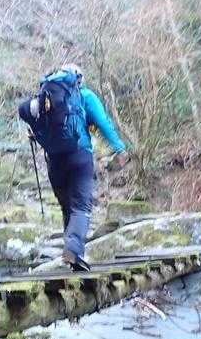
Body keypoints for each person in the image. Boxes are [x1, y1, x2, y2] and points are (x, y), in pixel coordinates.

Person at [18, 63, 129, 271]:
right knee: (81, 207)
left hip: (54, 161)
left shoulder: (47, 101)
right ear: (78, 79)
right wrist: (119, 148)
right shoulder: (84, 96)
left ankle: (72, 254)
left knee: (67, 207)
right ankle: (73, 251)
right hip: (79, 156)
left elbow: (35, 125)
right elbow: (103, 122)